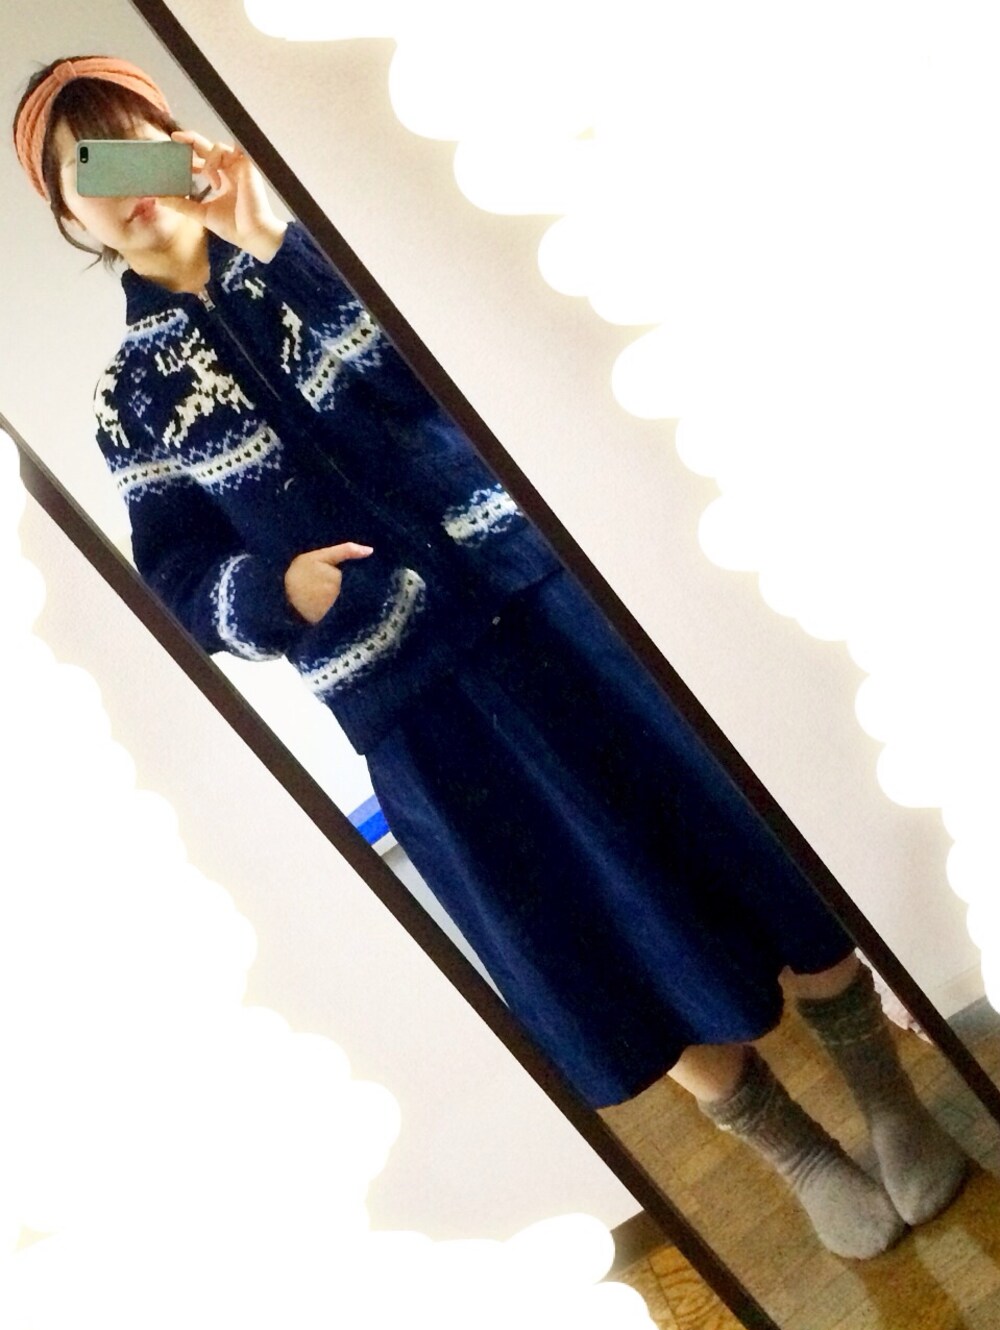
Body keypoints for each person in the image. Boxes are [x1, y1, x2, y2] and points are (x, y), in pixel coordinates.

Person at [13, 55, 971, 1260]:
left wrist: (270, 242)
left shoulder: (299, 256)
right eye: (87, 164)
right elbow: (176, 579)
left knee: (725, 838)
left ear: (177, 137)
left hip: (535, 605)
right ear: (66, 210)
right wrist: (274, 590)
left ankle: (886, 1097)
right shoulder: (128, 400)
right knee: (591, 934)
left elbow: (420, 386)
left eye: (135, 137)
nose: (126, 178)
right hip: (408, 701)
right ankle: (799, 1154)